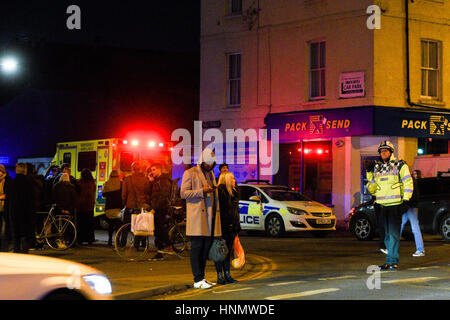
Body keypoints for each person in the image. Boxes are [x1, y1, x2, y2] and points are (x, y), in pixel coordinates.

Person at [366, 141, 414, 271]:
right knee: (386, 235)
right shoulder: (377, 168)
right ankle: (389, 261)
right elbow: (372, 188)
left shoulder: (400, 165)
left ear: (391, 152)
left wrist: (405, 200)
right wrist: (369, 173)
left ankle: (393, 261)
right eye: (381, 151)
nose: (383, 153)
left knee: (392, 234)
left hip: (394, 206)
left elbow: (408, 183)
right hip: (381, 206)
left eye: (386, 151)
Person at [181, 148, 222, 289]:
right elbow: (183, 193)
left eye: (212, 163)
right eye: (208, 163)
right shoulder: (190, 173)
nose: (210, 165)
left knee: (205, 249)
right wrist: (201, 191)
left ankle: (202, 278)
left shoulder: (211, 174)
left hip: (210, 218)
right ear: (202, 161)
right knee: (196, 248)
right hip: (197, 217)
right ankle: (197, 279)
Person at [216, 171, 241, 284]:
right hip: (223, 226)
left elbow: (235, 211)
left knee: (228, 252)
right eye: (231, 179)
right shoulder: (221, 192)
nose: (234, 180)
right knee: (220, 251)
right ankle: (220, 275)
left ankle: (227, 274)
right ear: (226, 180)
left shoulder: (233, 193)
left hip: (233, 226)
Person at [121, 161, 151, 247]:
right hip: (141, 206)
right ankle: (140, 244)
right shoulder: (145, 179)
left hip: (130, 205)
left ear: (132, 169)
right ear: (140, 169)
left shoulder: (127, 179)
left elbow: (124, 194)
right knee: (140, 226)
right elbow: (147, 193)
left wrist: (124, 203)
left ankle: (122, 243)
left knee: (125, 226)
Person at [7, 163, 35, 253]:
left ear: (16, 170)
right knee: (25, 234)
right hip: (26, 212)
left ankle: (16, 252)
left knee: (16, 235)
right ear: (25, 171)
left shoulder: (11, 182)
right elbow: (32, 199)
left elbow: (8, 200)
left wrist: (7, 213)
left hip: (14, 212)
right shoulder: (29, 183)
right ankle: (24, 253)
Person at [147, 163, 172, 260]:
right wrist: (150, 182)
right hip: (156, 207)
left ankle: (168, 245)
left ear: (159, 170)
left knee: (159, 228)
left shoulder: (164, 180)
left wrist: (155, 208)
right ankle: (160, 252)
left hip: (161, 208)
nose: (152, 172)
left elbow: (163, 196)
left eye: (154, 170)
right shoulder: (156, 181)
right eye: (151, 170)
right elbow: (149, 193)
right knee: (157, 230)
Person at [400, 169, 425, 257]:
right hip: (410, 206)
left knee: (412, 227)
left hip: (409, 207)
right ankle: (420, 249)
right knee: (403, 226)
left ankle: (420, 250)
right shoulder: (410, 179)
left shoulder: (408, 179)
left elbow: (412, 194)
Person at [103, 170, 123, 246]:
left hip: (109, 207)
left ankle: (110, 239)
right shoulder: (121, 183)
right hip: (118, 208)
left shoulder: (107, 183)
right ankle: (117, 240)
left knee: (111, 225)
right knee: (118, 225)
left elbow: (103, 195)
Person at [77, 169, 96, 245]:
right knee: (89, 223)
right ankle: (90, 239)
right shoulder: (92, 183)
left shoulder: (80, 182)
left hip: (81, 205)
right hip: (90, 205)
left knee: (81, 223)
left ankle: (81, 239)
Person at [0, 165, 12, 251]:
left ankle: (4, 246)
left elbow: (11, 194)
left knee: (5, 228)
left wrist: (5, 196)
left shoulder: (8, 180)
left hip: (5, 207)